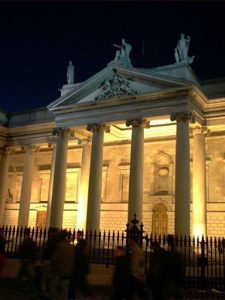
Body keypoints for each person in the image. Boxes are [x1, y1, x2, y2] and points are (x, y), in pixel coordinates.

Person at [68, 231, 91, 300]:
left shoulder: (80, 245)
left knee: (75, 285)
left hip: (77, 268)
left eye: (77, 235)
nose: (76, 237)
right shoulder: (82, 245)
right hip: (80, 269)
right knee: (79, 284)